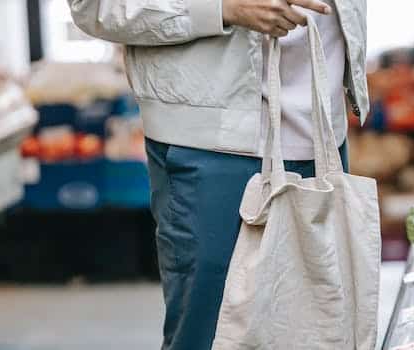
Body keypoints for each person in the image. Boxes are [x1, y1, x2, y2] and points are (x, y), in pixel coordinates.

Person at [68, 0, 368, 349]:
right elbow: (96, 7)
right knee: (208, 336)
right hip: (211, 146)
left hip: (322, 134)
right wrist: (221, 7)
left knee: (321, 334)